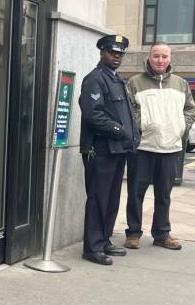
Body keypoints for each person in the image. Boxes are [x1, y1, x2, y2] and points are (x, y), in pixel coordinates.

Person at [124, 42, 195, 251]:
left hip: (170, 148)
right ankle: (134, 233)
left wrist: (181, 126)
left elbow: (190, 109)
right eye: (156, 56)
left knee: (164, 195)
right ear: (149, 57)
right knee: (136, 193)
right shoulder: (135, 82)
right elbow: (128, 111)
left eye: (164, 56)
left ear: (170, 59)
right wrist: (140, 126)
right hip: (143, 148)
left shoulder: (181, 84)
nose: (160, 60)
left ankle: (162, 233)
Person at [79, 34, 140, 265]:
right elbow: (93, 115)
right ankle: (92, 248)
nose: (117, 56)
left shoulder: (116, 80)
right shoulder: (95, 79)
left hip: (117, 149)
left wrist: (132, 134)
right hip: (100, 149)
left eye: (120, 53)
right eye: (112, 52)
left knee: (112, 198)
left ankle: (104, 240)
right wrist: (120, 130)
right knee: (98, 198)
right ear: (102, 52)